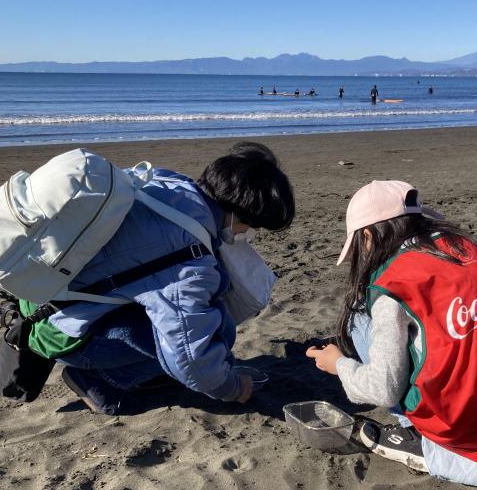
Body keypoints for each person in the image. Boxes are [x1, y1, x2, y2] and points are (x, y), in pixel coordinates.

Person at [306, 181, 477, 487]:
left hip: (459, 420)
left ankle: (419, 432)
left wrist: (339, 365)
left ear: (367, 236)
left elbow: (383, 389)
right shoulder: (467, 249)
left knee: (358, 317)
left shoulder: (396, 281)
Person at [33, 142, 295, 415]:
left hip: (38, 298)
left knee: (194, 318)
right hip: (64, 332)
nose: (250, 235)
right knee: (218, 330)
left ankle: (134, 371)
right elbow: (190, 356)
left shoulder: (167, 182)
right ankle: (100, 380)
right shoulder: (189, 259)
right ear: (239, 213)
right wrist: (232, 388)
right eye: (253, 227)